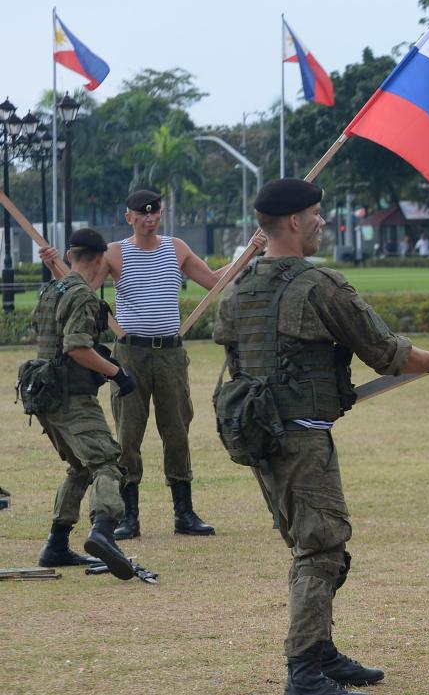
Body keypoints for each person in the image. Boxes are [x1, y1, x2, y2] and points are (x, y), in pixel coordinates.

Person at [213, 178, 429, 695]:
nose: (323, 222)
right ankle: (304, 673)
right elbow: (382, 349)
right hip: (301, 436)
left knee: (317, 544)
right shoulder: (317, 284)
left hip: (259, 434)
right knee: (320, 549)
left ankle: (322, 653)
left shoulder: (239, 288)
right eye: (316, 215)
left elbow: (238, 360)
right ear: (295, 223)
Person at [43, 189, 266, 541]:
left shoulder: (175, 248)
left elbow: (213, 281)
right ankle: (128, 516)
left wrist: (251, 251)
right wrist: (56, 264)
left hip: (170, 353)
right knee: (129, 433)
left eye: (155, 213)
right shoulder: (115, 252)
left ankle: (184, 512)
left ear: (161, 213)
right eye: (142, 214)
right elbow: (83, 288)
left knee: (176, 429)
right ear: (128, 216)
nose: (150, 219)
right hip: (130, 353)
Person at [29, 230, 139, 580]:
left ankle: (56, 544)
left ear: (71, 254)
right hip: (72, 397)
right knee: (108, 463)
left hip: (45, 396)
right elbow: (76, 347)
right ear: (97, 258)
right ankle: (103, 532)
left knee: (79, 467)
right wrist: (117, 373)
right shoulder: (82, 296)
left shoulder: (52, 289)